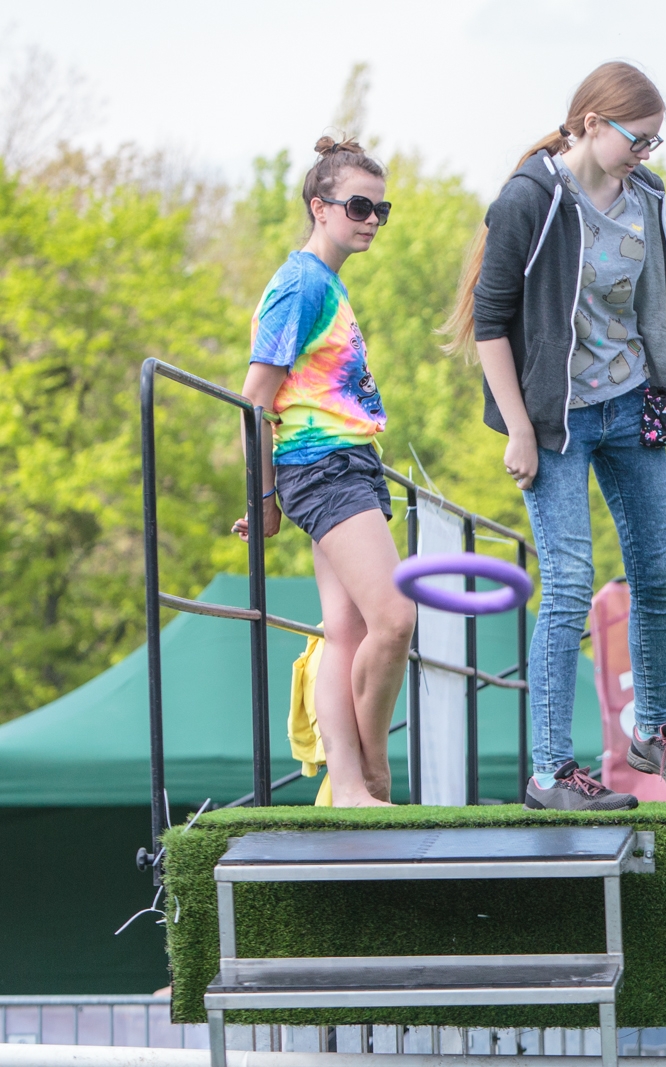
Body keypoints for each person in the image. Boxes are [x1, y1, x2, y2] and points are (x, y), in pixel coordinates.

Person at [444, 62, 666, 810]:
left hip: (631, 406)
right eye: (639, 139)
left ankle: (653, 728)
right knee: (568, 589)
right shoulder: (530, 200)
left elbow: (650, 311)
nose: (647, 155)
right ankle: (550, 773)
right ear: (592, 124)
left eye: (657, 143)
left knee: (658, 577)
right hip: (555, 423)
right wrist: (520, 430)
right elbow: (491, 323)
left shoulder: (646, 199)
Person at [233, 137, 415, 808]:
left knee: (347, 630)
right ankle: (371, 771)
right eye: (359, 205)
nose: (371, 219)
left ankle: (349, 781)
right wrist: (266, 496)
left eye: (380, 208)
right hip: (322, 465)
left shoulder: (326, 283)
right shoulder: (301, 281)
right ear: (321, 206)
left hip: (347, 461)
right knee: (394, 618)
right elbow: (254, 397)